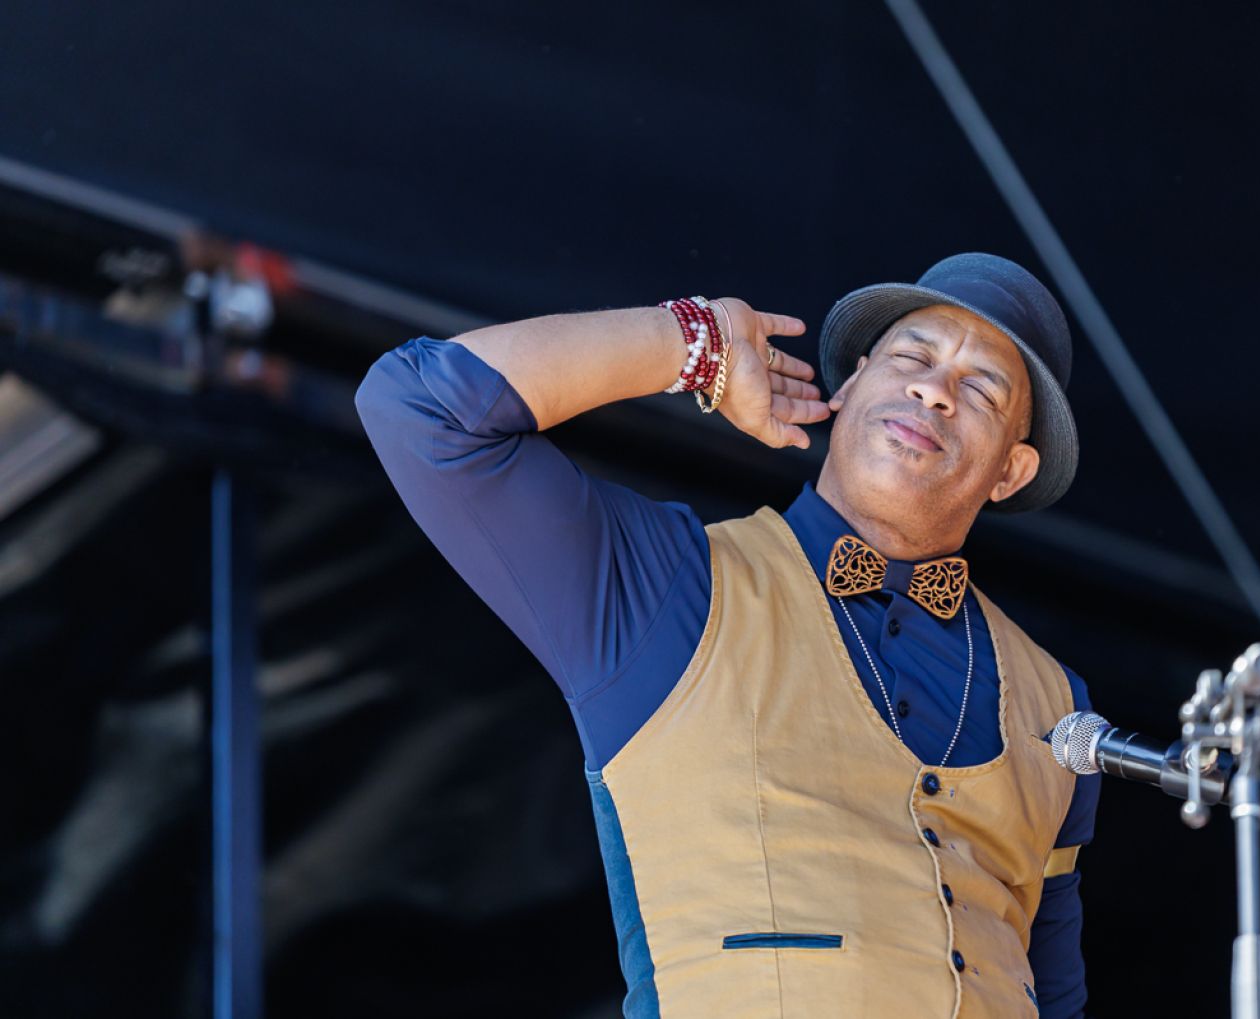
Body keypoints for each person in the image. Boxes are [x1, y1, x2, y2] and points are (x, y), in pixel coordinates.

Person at [353, 252, 1101, 1019]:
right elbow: (416, 404)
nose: (934, 390)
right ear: (848, 384)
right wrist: (695, 342)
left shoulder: (1058, 707)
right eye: (914, 355)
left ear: (1010, 471)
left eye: (979, 388)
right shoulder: (667, 583)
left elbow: (1057, 995)